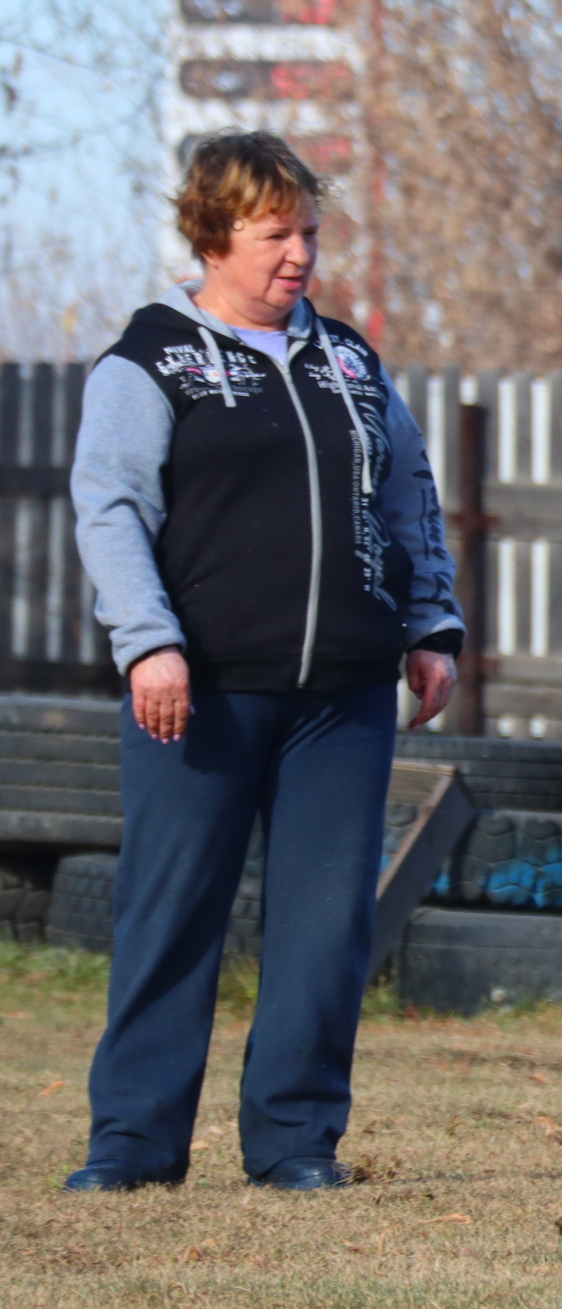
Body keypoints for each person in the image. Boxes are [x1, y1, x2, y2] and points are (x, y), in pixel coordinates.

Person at [63, 129, 464, 1192]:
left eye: (311, 234)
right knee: (171, 913)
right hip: (199, 693)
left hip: (343, 696)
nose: (300, 256)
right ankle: (134, 1147)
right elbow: (109, 511)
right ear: (213, 234)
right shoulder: (148, 360)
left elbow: (408, 492)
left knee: (326, 928)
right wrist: (148, 643)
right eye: (277, 235)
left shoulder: (349, 361)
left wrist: (430, 625)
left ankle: (294, 1143)